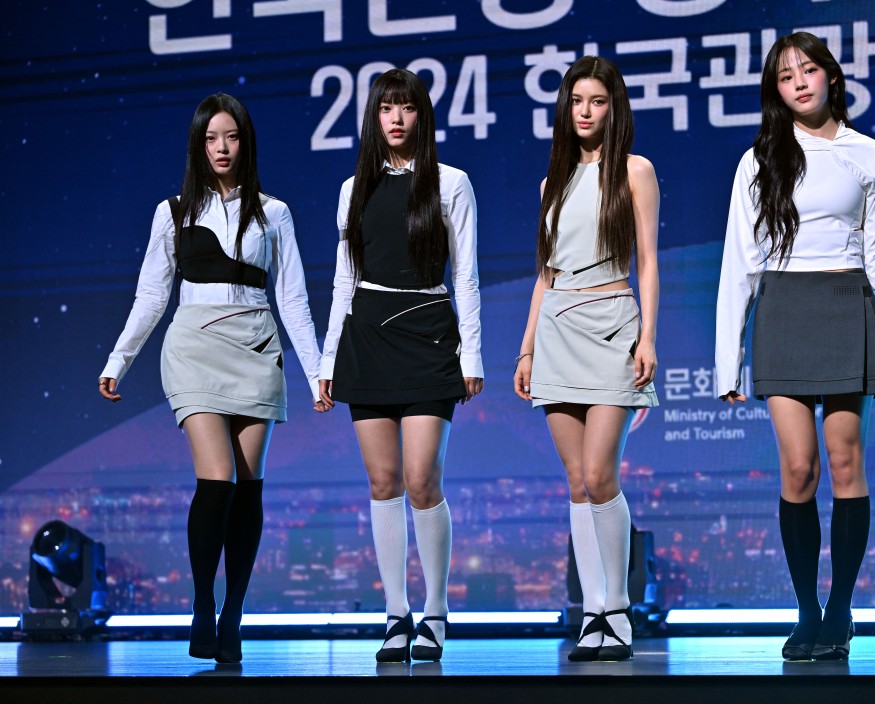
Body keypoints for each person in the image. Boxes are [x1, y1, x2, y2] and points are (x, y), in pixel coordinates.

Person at [715, 32, 875, 661]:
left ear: (831, 77)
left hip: (846, 307)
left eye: (809, 70)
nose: (800, 83)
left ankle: (841, 608)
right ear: (776, 91)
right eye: (786, 77)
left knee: (844, 466)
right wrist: (728, 359)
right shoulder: (759, 159)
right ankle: (806, 608)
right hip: (782, 310)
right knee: (798, 469)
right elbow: (740, 263)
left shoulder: (871, 155)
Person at [98, 93, 325, 664]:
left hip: (257, 343)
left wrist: (317, 369)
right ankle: (202, 603)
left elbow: (293, 297)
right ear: (198, 145)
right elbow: (152, 295)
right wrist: (117, 360)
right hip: (194, 346)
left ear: (245, 143)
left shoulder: (274, 212)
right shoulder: (171, 212)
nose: (221, 148)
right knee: (217, 477)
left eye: (232, 137)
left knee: (249, 487)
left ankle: (233, 613)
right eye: (211, 138)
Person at [318, 69, 483, 664]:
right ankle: (395, 614)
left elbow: (464, 273)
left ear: (422, 115)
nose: (395, 118)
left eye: (406, 108)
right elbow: (344, 278)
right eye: (386, 108)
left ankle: (435, 612)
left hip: (429, 334)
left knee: (420, 480)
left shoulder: (451, 182)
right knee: (382, 483)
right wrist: (327, 356)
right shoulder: (352, 189)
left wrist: (472, 352)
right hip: (366, 336)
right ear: (373, 116)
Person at [513, 56, 659, 663]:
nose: (585, 111)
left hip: (612, 323)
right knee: (576, 483)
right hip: (555, 332)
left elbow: (648, 260)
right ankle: (592, 613)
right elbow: (543, 274)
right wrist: (524, 348)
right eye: (577, 101)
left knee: (602, 476)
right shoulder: (553, 181)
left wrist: (648, 337)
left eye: (597, 101)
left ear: (613, 107)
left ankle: (618, 611)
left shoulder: (635, 171)